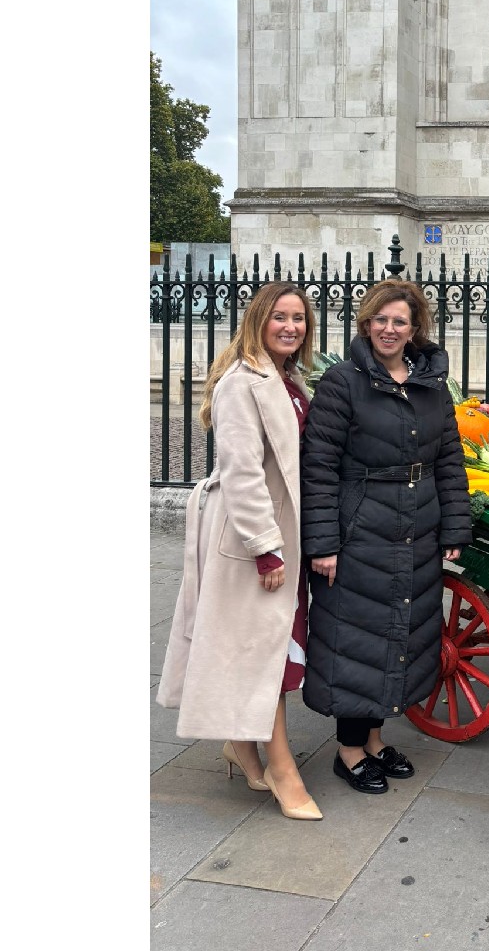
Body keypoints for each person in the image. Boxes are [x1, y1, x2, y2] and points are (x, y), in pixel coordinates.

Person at [157, 282, 323, 821]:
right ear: (258, 320)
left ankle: (242, 746)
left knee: (267, 645)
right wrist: (265, 549)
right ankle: (282, 769)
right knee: (264, 651)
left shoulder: (288, 377)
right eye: (280, 317)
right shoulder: (241, 382)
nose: (291, 327)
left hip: (282, 530)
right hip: (253, 536)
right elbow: (242, 470)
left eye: (298, 318)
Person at [301, 279, 472, 795]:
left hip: (417, 527)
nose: (389, 329)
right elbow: (319, 466)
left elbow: (449, 459)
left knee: (399, 632)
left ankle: (374, 740)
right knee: (356, 636)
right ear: (366, 323)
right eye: (381, 319)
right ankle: (349, 750)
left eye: (400, 321)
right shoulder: (342, 382)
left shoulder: (430, 384)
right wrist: (323, 543)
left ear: (415, 328)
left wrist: (454, 525)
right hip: (360, 529)